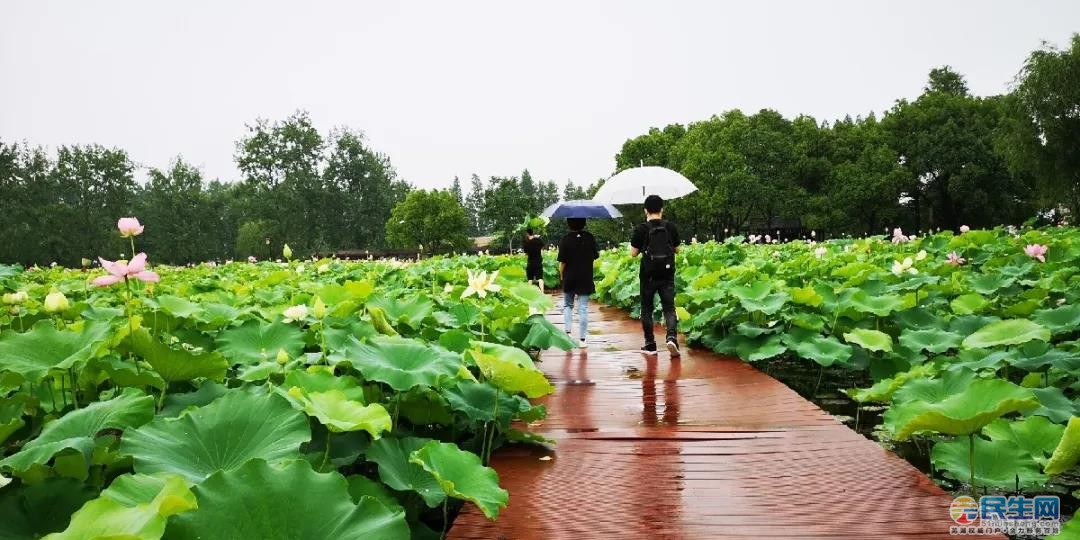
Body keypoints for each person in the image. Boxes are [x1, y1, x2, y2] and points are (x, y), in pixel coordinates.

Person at [630, 195, 681, 356]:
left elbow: (633, 253)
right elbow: (678, 249)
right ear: (662, 209)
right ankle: (671, 337)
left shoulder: (641, 228)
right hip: (667, 274)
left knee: (646, 310)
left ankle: (650, 344)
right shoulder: (670, 227)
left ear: (645, 210)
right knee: (669, 308)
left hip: (648, 274)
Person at [557, 217, 599, 349]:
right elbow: (595, 257)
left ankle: (568, 335)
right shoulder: (590, 238)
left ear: (569, 224)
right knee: (583, 308)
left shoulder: (565, 239)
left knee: (568, 305)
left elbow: (562, 263)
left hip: (570, 276)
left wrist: (561, 275)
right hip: (585, 277)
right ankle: (582, 340)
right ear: (584, 223)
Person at [523, 228, 546, 292]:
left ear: (527, 233)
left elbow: (526, 253)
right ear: (532, 233)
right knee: (540, 278)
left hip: (530, 262)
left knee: (530, 279)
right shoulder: (538, 240)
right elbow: (542, 245)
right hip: (538, 261)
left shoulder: (526, 242)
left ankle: (530, 293)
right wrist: (537, 238)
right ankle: (542, 292)